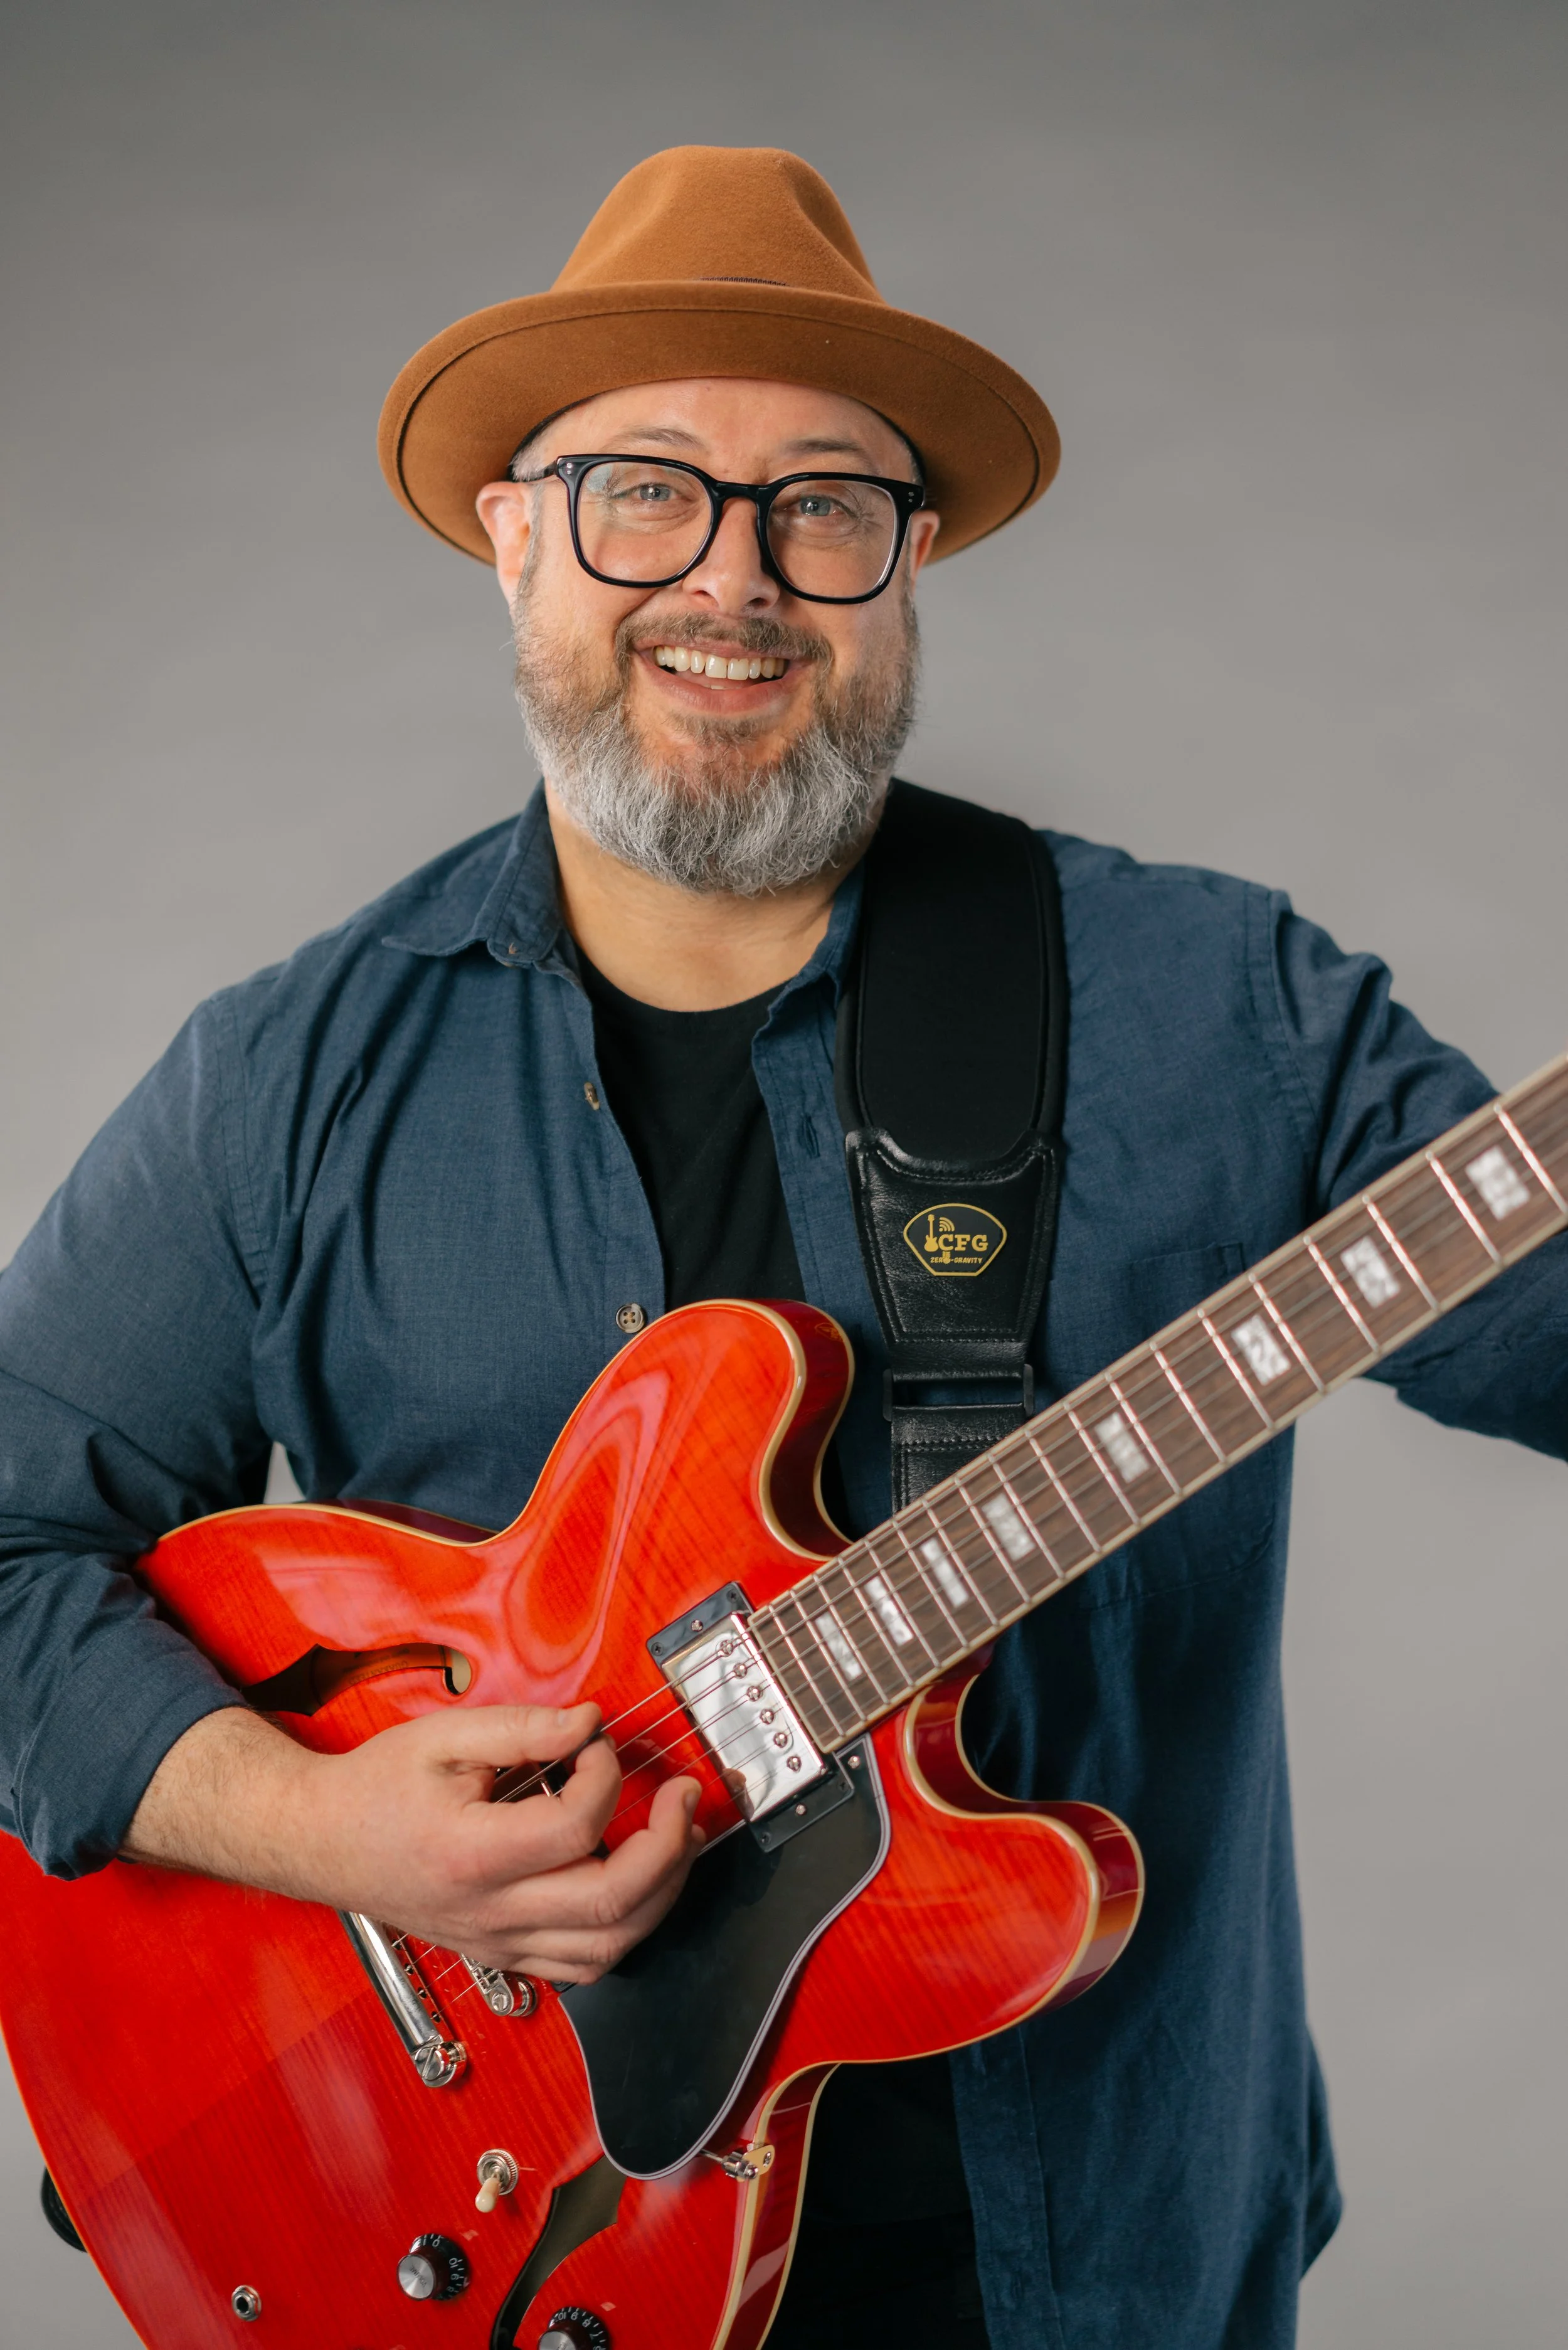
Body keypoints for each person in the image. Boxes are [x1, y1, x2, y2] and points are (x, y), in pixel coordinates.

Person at [2, 144, 1565, 2350]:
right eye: (644, 493)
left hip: (1089, 2267)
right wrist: (312, 1827)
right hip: (496, 2241)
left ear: (904, 564)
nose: (732, 581)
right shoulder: (289, 1079)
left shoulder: (1216, 1008)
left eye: (823, 506)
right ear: (514, 539)